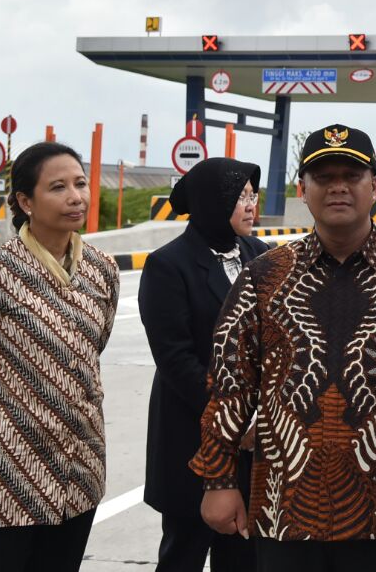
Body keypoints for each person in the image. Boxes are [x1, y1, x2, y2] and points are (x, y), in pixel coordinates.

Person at [191, 125, 376, 572]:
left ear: (374, 185)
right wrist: (218, 481)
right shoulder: (264, 277)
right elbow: (230, 383)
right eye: (323, 177)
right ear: (304, 189)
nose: (338, 186)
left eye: (351, 175)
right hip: (284, 505)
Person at [0, 141, 119, 572]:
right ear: (25, 201)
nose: (75, 196)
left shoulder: (102, 269)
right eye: (58, 187)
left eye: (80, 184)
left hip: (78, 473)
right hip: (2, 476)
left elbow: (91, 349)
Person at [140, 158, 269, 572]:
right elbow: (176, 360)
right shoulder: (168, 264)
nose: (251, 206)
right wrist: (235, 420)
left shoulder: (262, 255)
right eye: (239, 197)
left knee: (246, 554)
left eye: (253, 196)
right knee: (185, 551)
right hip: (191, 430)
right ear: (212, 203)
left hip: (255, 440)